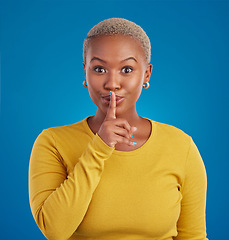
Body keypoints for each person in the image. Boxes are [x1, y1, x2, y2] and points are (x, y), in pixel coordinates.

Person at [29, 18, 208, 240]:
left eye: (126, 69)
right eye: (99, 69)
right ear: (85, 72)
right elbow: (54, 231)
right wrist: (99, 148)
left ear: (147, 74)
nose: (112, 83)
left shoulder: (181, 147)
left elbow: (193, 237)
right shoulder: (53, 142)